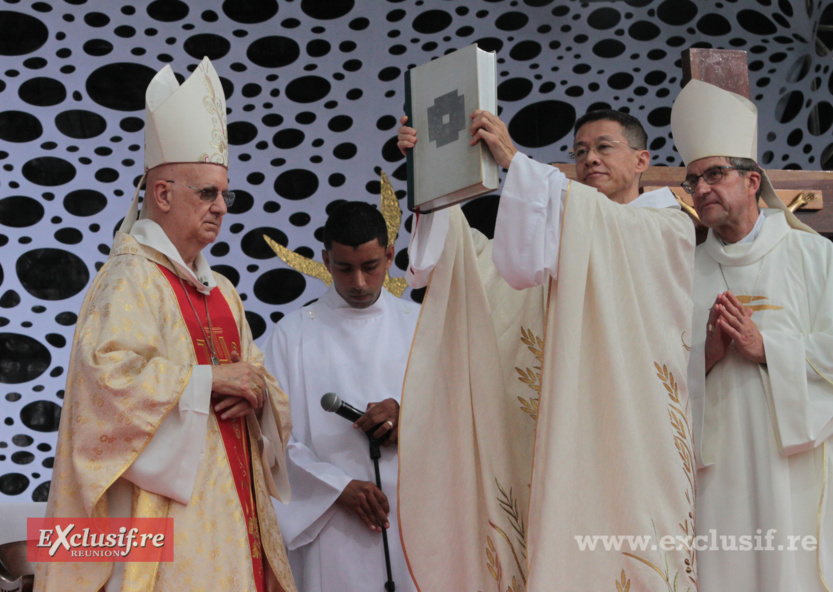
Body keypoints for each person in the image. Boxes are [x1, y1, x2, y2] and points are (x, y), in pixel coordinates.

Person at [395, 109, 697, 591]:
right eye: (579, 152)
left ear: (642, 159)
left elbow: (601, 227)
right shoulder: (563, 238)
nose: (589, 159)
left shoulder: (666, 228)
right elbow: (479, 270)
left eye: (603, 147)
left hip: (632, 442)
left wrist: (515, 161)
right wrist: (431, 179)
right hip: (549, 442)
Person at [35, 58, 296, 592]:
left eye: (226, 194)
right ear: (162, 194)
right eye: (207, 193)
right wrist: (208, 380)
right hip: (166, 522)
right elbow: (102, 383)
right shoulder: (130, 277)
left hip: (234, 506)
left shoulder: (222, 289)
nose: (221, 207)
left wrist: (257, 393)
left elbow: (254, 375)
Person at [672, 79, 833, 591]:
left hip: (793, 462)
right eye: (692, 179)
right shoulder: (682, 270)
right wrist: (706, 356)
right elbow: (653, 366)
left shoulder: (815, 257)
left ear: (752, 180)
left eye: (714, 174)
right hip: (714, 468)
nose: (700, 190)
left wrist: (769, 350)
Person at [261, 201, 419, 592]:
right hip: (328, 523)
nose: (359, 283)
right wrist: (336, 488)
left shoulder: (421, 325)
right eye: (345, 269)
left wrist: (409, 418)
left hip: (416, 519)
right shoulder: (291, 335)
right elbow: (272, 440)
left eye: (371, 267)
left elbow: (462, 417)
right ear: (326, 261)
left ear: (389, 255)